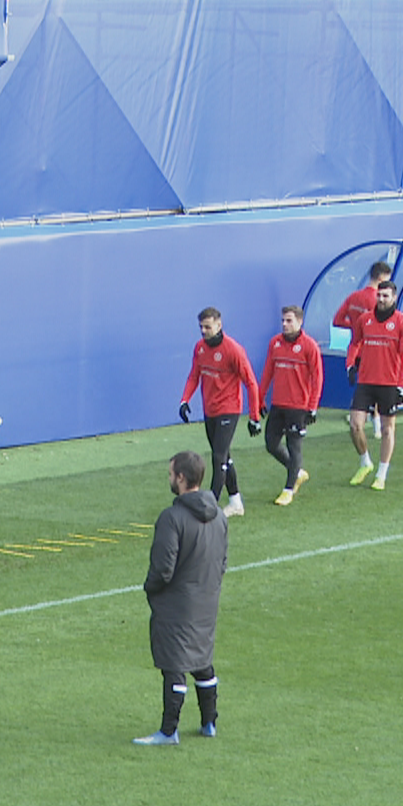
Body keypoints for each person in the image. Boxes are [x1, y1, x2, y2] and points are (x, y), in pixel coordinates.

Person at [133, 451, 227, 746]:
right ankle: (209, 722)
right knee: (202, 661)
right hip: (207, 599)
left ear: (182, 478)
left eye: (171, 474)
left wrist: (150, 588)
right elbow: (222, 561)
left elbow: (163, 568)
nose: (170, 479)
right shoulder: (220, 516)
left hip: (177, 603)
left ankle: (169, 730)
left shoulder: (172, 518)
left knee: (173, 664)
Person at [177, 307, 261, 517]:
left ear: (219, 325)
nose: (204, 331)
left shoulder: (233, 350)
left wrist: (254, 417)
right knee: (225, 457)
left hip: (229, 410)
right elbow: (194, 376)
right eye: (201, 327)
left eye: (208, 326)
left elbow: (251, 382)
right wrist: (184, 400)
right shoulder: (200, 348)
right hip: (210, 410)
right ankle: (236, 502)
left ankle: (211, 505)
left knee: (218, 456)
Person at [344, 279, 403, 490]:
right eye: (379, 295)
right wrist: (350, 365)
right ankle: (365, 462)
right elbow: (355, 343)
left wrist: (402, 385)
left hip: (389, 383)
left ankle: (381, 474)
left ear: (394, 298)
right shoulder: (365, 319)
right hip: (366, 381)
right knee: (355, 425)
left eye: (386, 296)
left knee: (386, 429)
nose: (381, 299)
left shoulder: (402, 323)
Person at [259, 305, 322, 506]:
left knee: (294, 446)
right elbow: (268, 371)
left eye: (289, 321)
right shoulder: (274, 344)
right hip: (278, 404)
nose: (285, 325)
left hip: (298, 406)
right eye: (283, 321)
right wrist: (260, 398)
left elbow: (317, 378)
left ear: (299, 322)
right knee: (271, 444)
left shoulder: (309, 346)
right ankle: (297, 472)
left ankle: (288, 489)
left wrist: (312, 406)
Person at [333, 261, 390, 438]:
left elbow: (338, 320)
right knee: (376, 386)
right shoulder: (377, 300)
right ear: (381, 278)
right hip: (372, 350)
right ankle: (376, 426)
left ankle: (365, 420)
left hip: (356, 350)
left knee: (363, 387)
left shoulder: (354, 297)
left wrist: (356, 326)